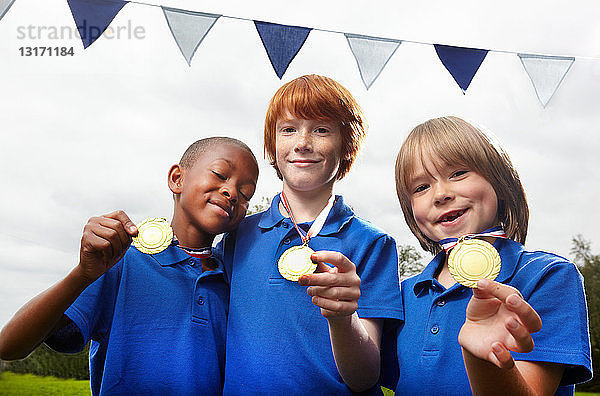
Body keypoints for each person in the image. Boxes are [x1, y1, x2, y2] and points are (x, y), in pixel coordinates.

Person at [0, 137, 259, 395]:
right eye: (219, 174)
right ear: (177, 178)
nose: (232, 192)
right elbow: (10, 346)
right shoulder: (121, 261)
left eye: (246, 193)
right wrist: (82, 274)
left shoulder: (233, 280)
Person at [216, 74, 403, 395]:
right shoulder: (237, 235)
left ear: (346, 148)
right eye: (288, 129)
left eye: (321, 129)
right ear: (272, 149)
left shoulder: (374, 245)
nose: (303, 142)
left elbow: (365, 377)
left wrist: (343, 318)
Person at [389, 116, 592, 395]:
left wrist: (482, 358)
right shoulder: (401, 294)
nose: (441, 194)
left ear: (499, 179)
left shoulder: (548, 276)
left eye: (458, 173)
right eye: (421, 187)